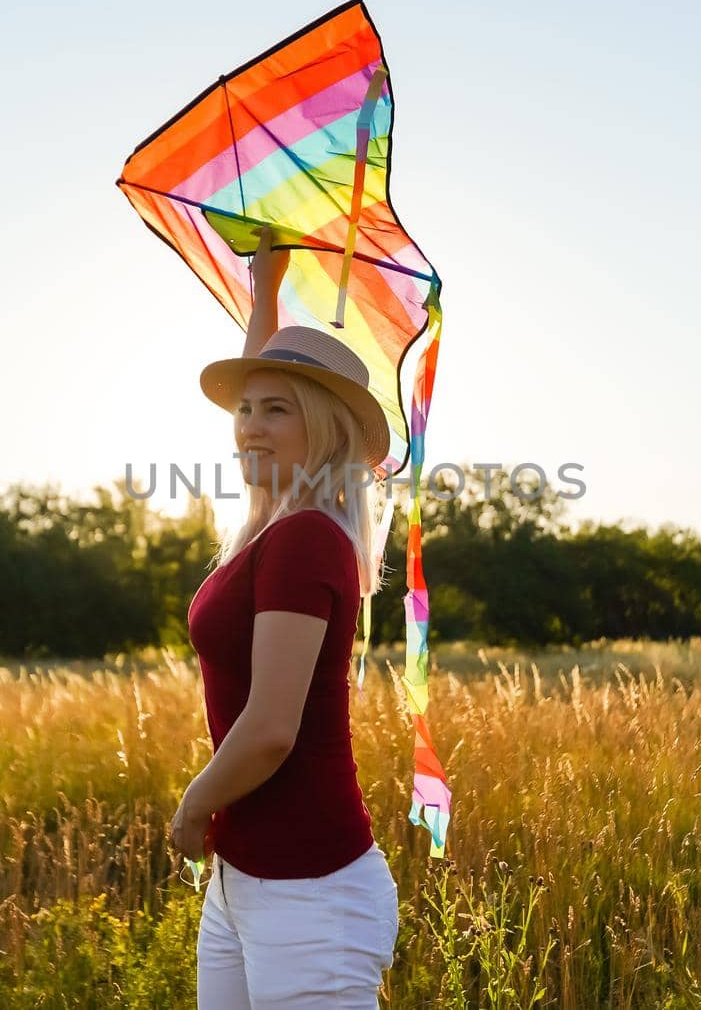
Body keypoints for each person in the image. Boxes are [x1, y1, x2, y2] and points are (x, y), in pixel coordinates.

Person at [172, 226, 401, 1008]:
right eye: (244, 410)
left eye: (276, 411)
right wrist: (266, 289)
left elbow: (272, 728)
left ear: (322, 429)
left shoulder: (306, 539)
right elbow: (268, 405)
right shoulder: (270, 524)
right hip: (244, 883)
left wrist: (192, 805)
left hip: (311, 893)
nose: (248, 426)